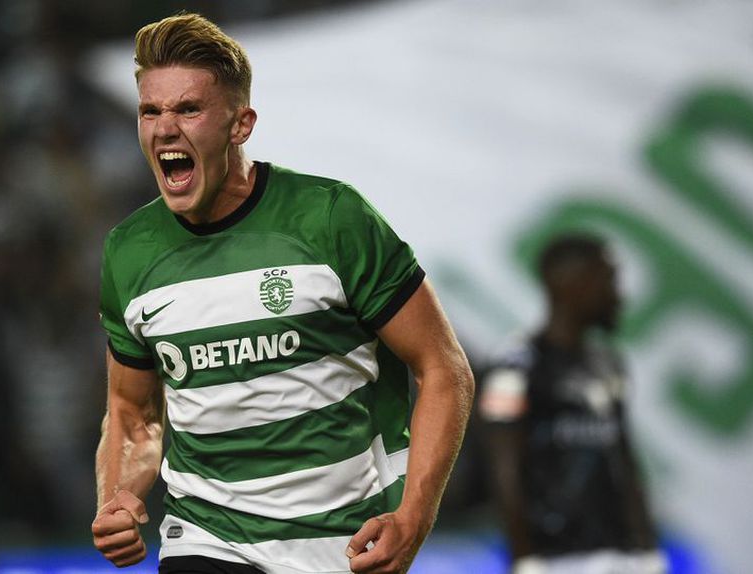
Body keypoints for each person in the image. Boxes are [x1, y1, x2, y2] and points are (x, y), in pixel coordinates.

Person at [91, 12, 474, 574]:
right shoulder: (129, 251)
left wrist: (414, 516)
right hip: (206, 535)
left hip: (343, 543)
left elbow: (443, 368)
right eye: (151, 111)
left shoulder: (332, 219)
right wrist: (117, 498)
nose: (164, 128)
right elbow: (133, 411)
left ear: (240, 124)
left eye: (188, 109)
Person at [480, 234, 666, 574]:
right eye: (608, 280)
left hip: (623, 554)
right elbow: (504, 469)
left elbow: (624, 462)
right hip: (559, 558)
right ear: (571, 285)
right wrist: (524, 558)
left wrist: (648, 548)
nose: (618, 295)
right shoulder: (516, 365)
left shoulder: (609, 364)